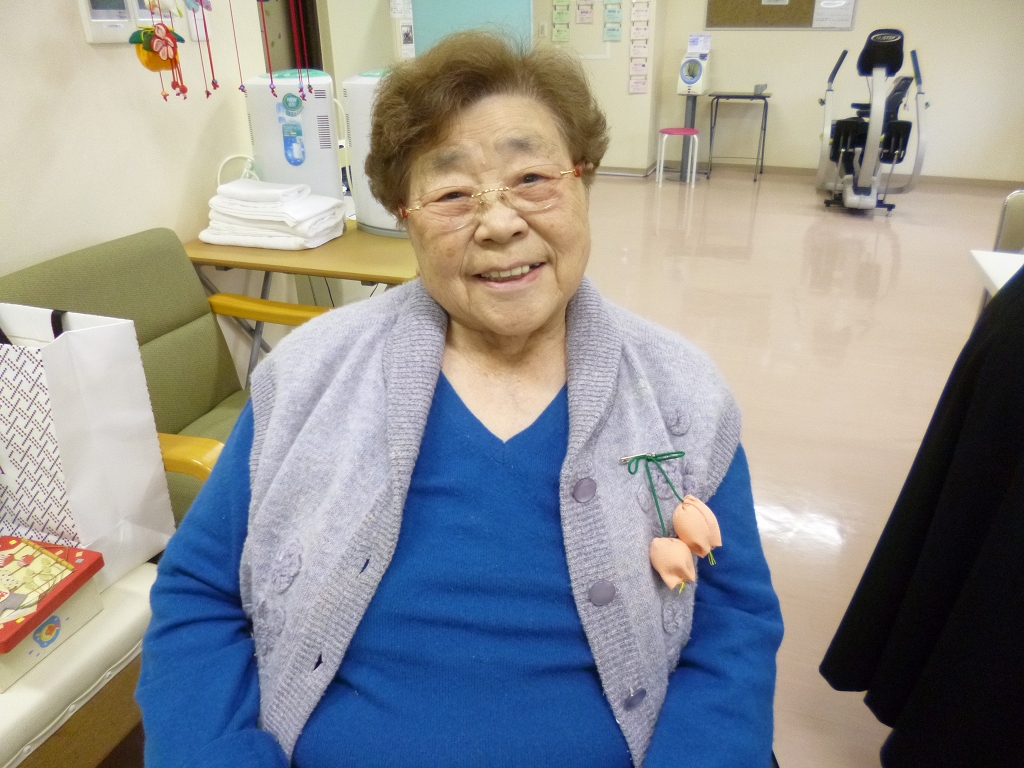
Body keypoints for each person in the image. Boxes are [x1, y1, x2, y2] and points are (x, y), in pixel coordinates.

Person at [137, 32, 783, 768]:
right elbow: (199, 592)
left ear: (584, 182)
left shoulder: (679, 393)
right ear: (403, 215)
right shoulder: (307, 375)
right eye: (450, 195)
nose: (501, 223)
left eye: (532, 178)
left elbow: (734, 624)